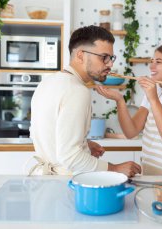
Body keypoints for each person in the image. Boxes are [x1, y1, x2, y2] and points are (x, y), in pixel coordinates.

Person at [29, 25, 141, 177]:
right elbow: (70, 157)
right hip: (65, 184)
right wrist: (114, 169)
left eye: (111, 58)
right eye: (104, 57)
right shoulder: (77, 91)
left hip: (45, 183)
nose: (110, 64)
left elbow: (47, 134)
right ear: (80, 55)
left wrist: (83, 144)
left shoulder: (47, 82)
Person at [97, 44, 162, 175]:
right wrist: (120, 101)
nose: (151, 67)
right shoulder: (156, 91)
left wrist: (153, 99)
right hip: (147, 175)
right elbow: (131, 132)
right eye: (151, 61)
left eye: (158, 62)